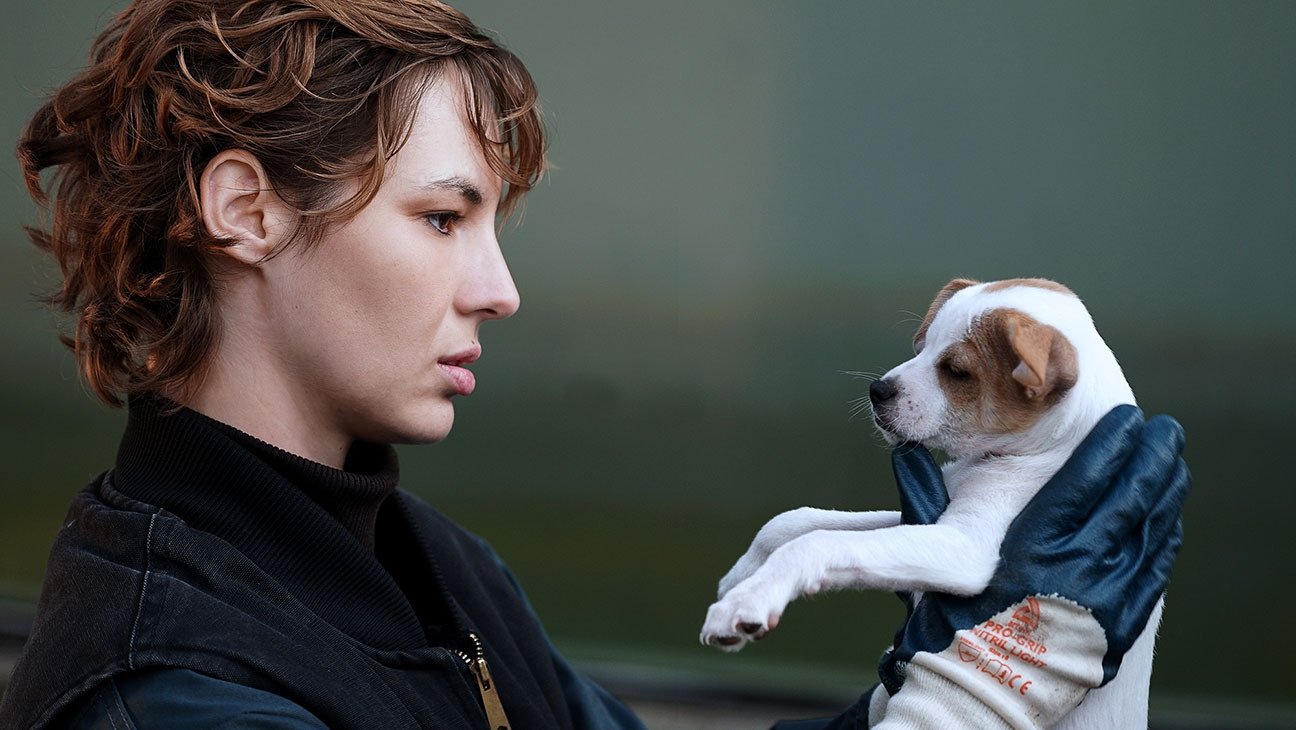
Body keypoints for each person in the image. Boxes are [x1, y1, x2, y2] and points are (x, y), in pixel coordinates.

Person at [0, 1, 1188, 728]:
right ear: (245, 211)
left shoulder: (433, 567)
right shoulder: (173, 693)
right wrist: (977, 700)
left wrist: (928, 675)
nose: (500, 288)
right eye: (442, 217)